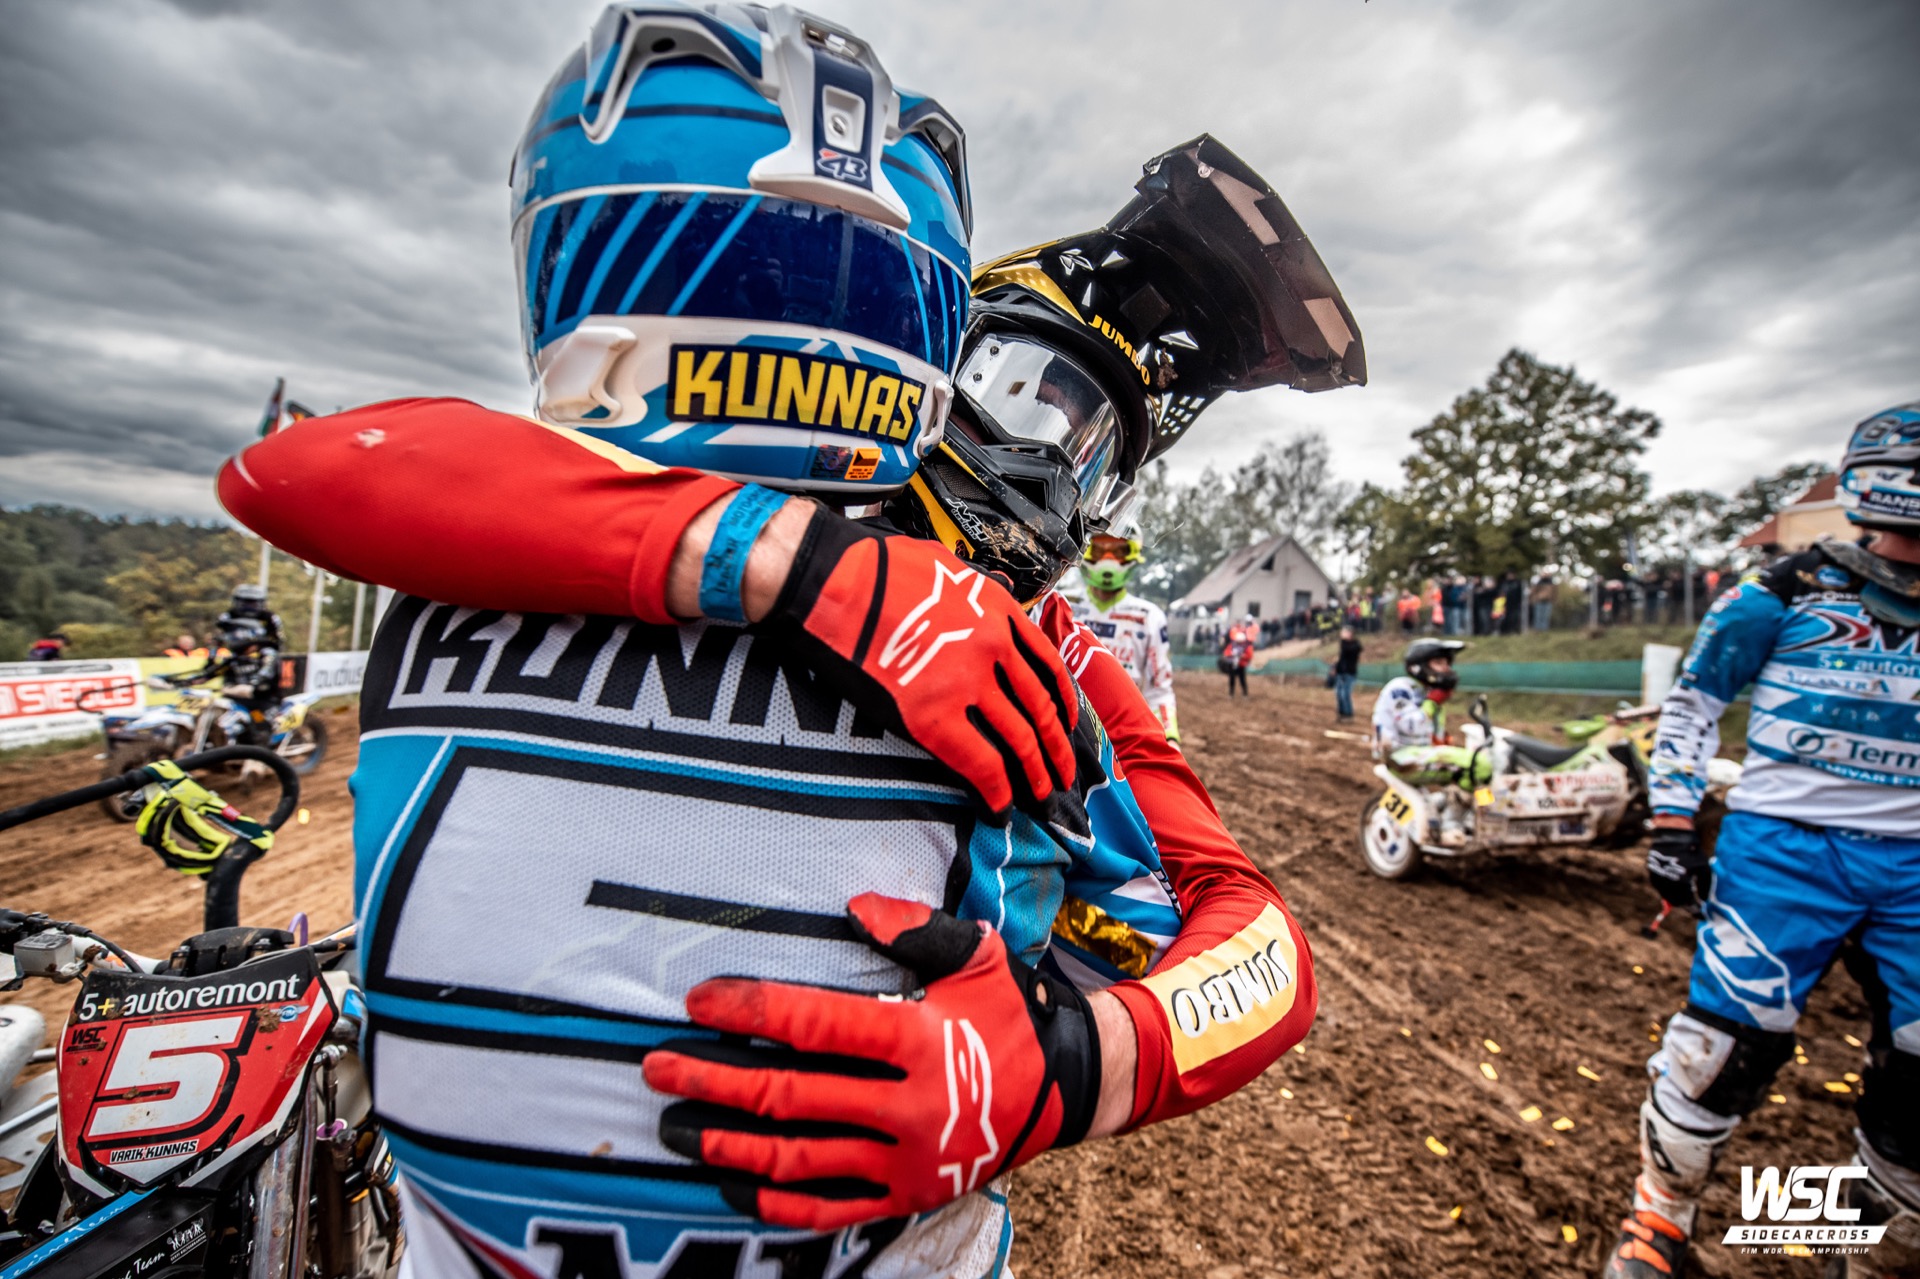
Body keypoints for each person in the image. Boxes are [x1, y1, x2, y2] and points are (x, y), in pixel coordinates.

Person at [225, 73, 1358, 1276]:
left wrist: (1065, 1066)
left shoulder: (1052, 653)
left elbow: (1264, 946)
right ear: (933, 364)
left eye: (1089, 444)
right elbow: (304, 470)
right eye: (1024, 392)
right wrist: (819, 569)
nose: (1047, 462)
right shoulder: (640, 489)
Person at [1600, 402, 1920, 1279]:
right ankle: (1659, 1220)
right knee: (1720, 1051)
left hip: (1913, 868)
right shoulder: (1784, 588)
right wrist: (1672, 821)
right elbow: (1694, 703)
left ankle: (1870, 1248)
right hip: (1784, 853)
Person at [1369, 638, 1487, 847]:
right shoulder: (1401, 688)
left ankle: (1460, 811)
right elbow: (1411, 726)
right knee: (1477, 764)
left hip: (1419, 754)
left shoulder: (1426, 694)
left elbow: (1433, 736)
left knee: (1480, 763)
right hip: (1401, 756)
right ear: (1419, 666)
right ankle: (1451, 825)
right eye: (1439, 663)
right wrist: (1432, 703)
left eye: (1447, 663)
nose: (1446, 668)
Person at [1071, 518, 1178, 743]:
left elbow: (1159, 690)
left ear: (1133, 555)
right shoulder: (1060, 605)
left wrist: (1170, 739)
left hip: (1124, 733)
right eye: (1100, 550)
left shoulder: (1149, 617)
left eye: (1118, 551)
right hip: (1068, 725)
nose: (1108, 560)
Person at [158, 585, 283, 746]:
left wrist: (254, 683)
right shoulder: (231, 652)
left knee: (260, 724)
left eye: (252, 603)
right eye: (245, 602)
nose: (233, 636)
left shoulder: (268, 643)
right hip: (234, 700)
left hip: (260, 702)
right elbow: (209, 671)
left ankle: (261, 756)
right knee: (216, 719)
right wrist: (177, 682)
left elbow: (275, 650)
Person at [1332, 624, 1362, 720]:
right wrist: (1336, 668)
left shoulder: (1354, 645)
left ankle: (1348, 714)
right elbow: (1341, 658)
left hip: (1349, 673)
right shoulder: (1344, 644)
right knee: (1338, 693)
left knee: (1345, 694)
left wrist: (1344, 641)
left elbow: (1351, 650)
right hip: (1341, 672)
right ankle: (1341, 713)